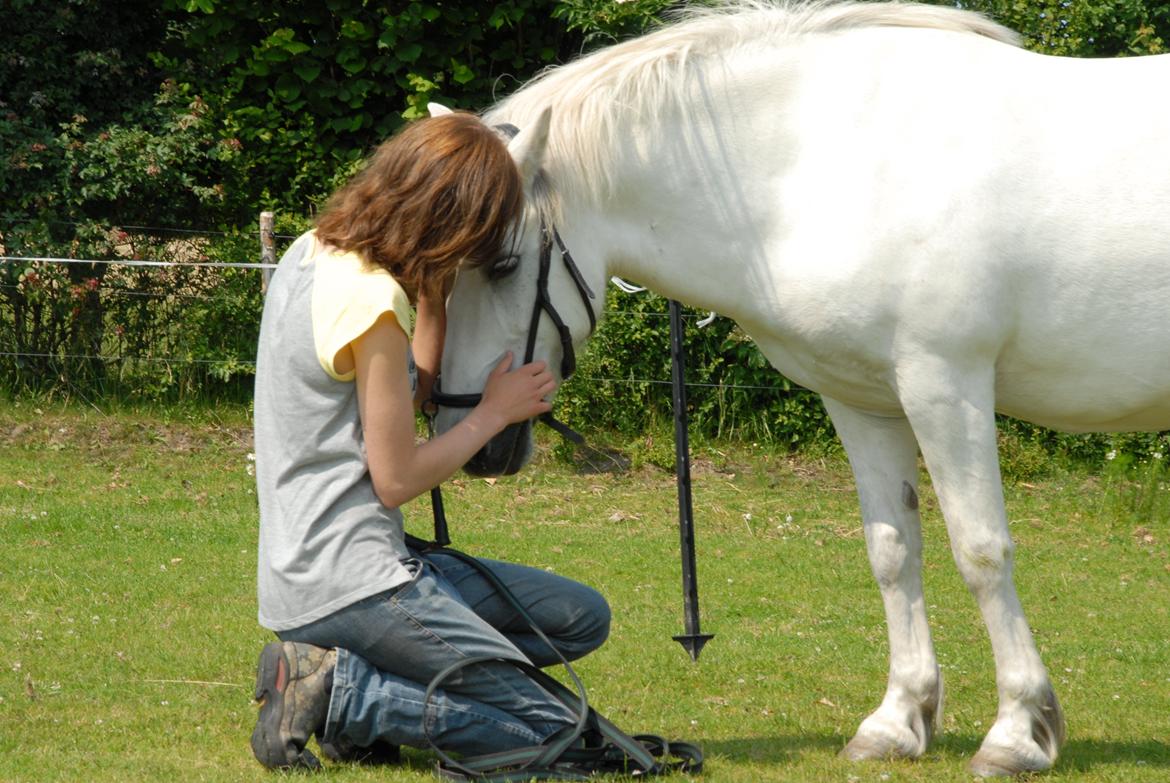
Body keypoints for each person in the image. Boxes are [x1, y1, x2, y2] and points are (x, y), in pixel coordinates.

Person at [249, 111, 611, 769]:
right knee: (556, 731)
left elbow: (400, 399)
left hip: (317, 569)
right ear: (453, 218)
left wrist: (436, 299)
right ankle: (345, 696)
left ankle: (347, 674)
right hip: (353, 584)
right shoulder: (370, 302)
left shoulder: (315, 253)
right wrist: (493, 414)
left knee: (580, 616)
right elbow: (396, 476)